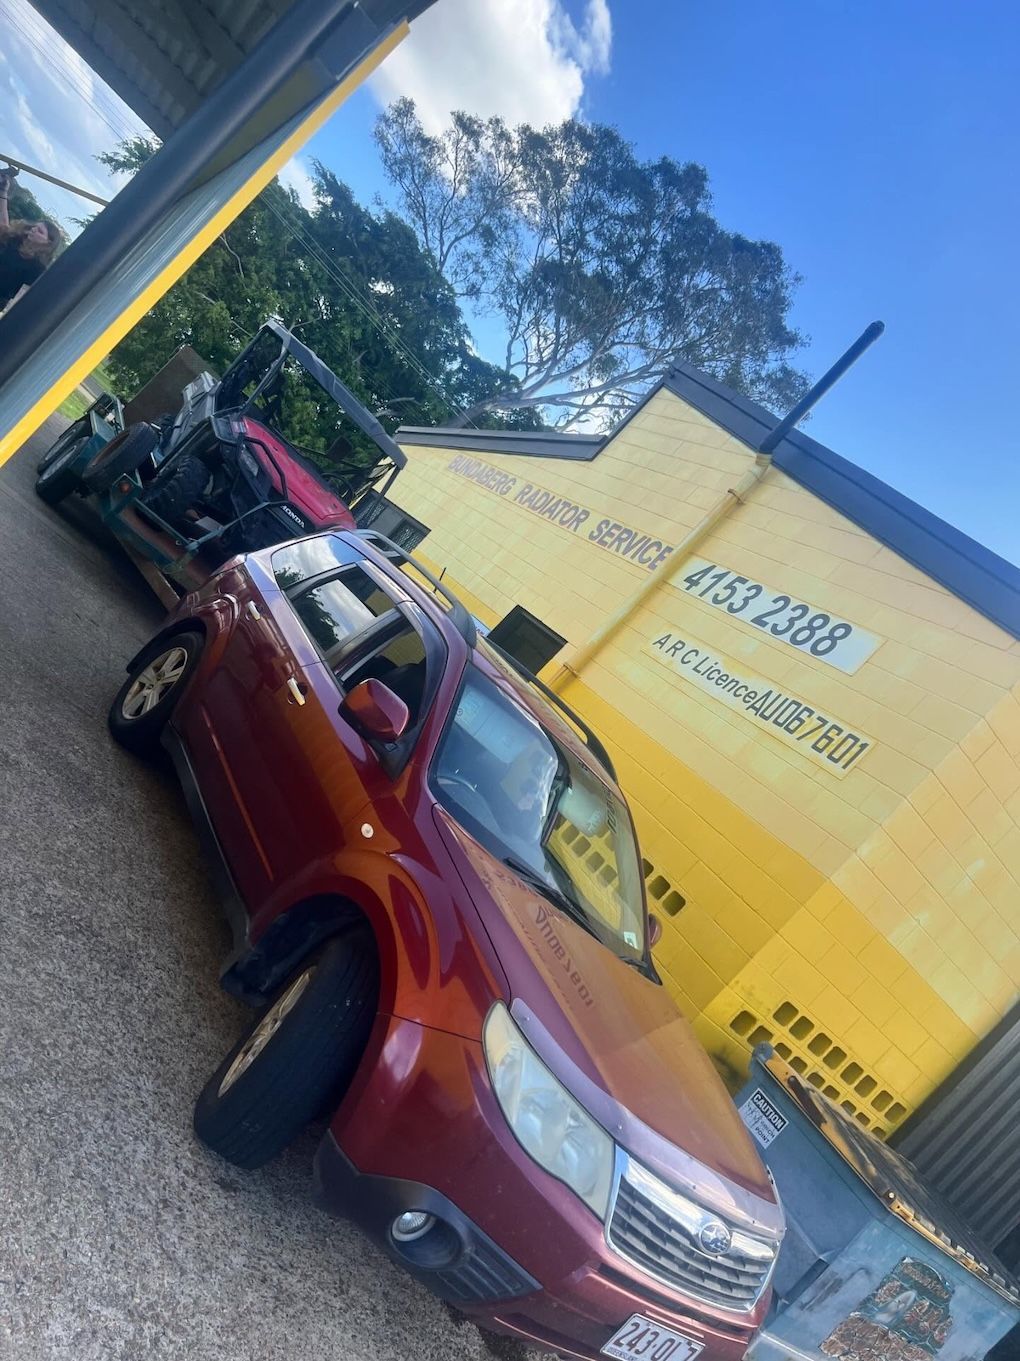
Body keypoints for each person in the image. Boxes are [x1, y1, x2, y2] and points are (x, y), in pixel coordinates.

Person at [0, 170, 60, 313]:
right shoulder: (15, 240)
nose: (33, 230)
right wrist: (3, 192)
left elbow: (24, 298)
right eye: (35, 227)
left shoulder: (37, 268)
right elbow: (3, 224)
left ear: (47, 243)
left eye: (39, 231)